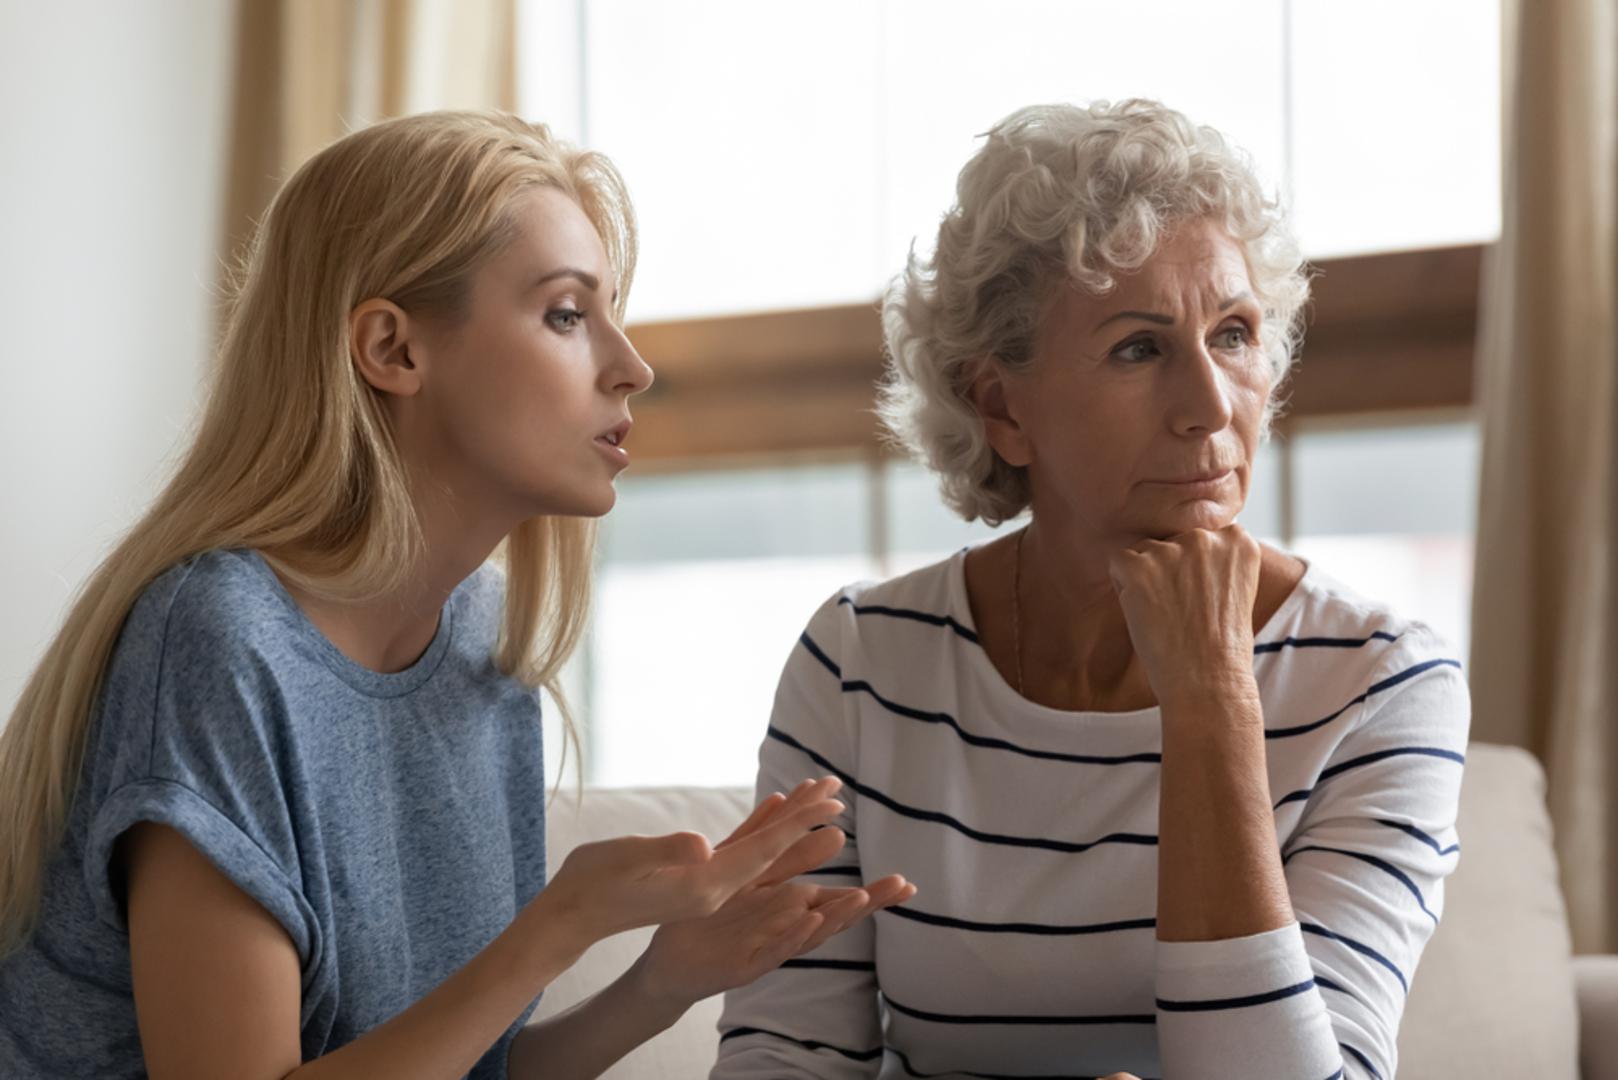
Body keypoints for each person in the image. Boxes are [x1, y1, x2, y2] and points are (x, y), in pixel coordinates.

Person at [0, 110, 914, 1080]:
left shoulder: (484, 646)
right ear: (392, 349)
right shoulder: (219, 641)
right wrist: (557, 926)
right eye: (567, 314)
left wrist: (663, 982)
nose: (631, 366)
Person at [714, 99, 1469, 1079]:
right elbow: (782, 1058)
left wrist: (1212, 706)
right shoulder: (862, 660)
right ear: (1001, 408)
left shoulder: (1380, 683)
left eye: (1234, 333)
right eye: (1138, 347)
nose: (1210, 409)